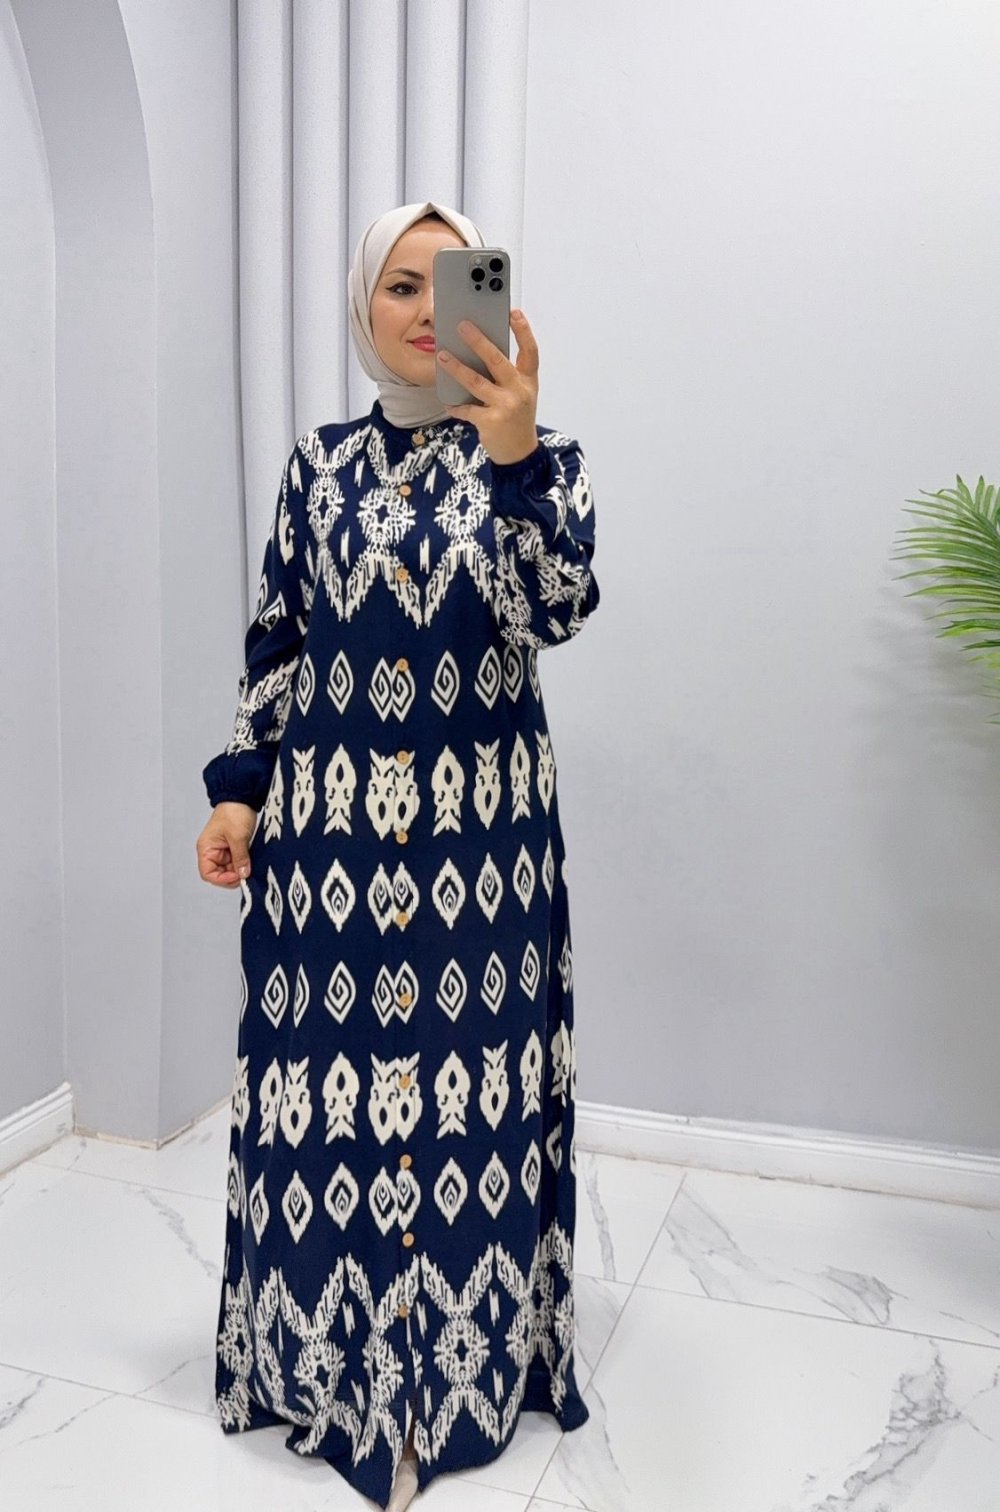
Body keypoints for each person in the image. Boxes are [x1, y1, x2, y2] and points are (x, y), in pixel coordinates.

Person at [195, 199, 600, 1510]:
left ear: (491, 296)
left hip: (485, 849)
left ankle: (464, 1377)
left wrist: (514, 451)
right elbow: (280, 644)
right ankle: (328, 1368)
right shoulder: (315, 468)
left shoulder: (543, 461)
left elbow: (558, 609)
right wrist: (240, 794)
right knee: (325, 1106)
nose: (428, 311)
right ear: (364, 309)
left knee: (474, 1105)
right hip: (329, 851)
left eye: (452, 281)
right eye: (400, 287)